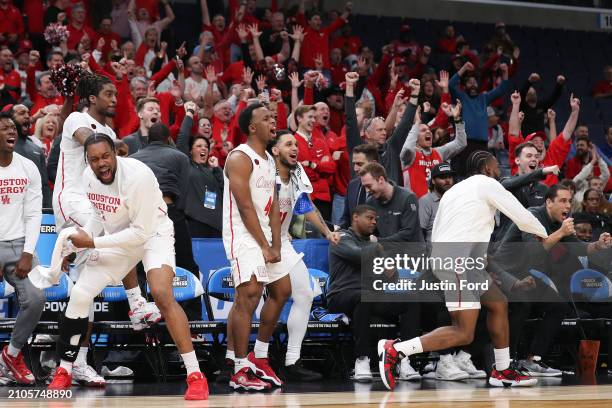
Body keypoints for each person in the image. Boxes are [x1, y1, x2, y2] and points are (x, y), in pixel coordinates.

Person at [46, 134, 208, 400]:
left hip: (153, 234)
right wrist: (75, 245)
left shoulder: (138, 177)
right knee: (80, 294)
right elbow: (98, 217)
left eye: (105, 156)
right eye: (94, 159)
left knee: (161, 292)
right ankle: (64, 370)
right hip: (119, 236)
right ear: (88, 160)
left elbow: (140, 235)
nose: (101, 164)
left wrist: (93, 242)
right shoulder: (88, 177)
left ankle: (195, 375)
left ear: (116, 154)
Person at [378, 150, 550, 390]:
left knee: (498, 303)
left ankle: (502, 371)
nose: (499, 171)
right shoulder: (487, 183)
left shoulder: (455, 191)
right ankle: (397, 350)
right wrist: (545, 233)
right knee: (464, 332)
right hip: (458, 260)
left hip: (459, 259)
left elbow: (441, 229)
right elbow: (521, 215)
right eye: (496, 167)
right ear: (487, 168)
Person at [51, 73, 158, 385]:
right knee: (118, 230)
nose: (114, 99)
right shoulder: (75, 118)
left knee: (85, 292)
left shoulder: (110, 131)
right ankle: (136, 302)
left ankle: (77, 363)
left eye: (116, 93)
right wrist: (114, 147)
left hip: (94, 209)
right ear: (92, 98)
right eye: (109, 94)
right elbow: (90, 140)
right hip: (71, 201)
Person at [495, 185, 612, 376]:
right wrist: (560, 233)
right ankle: (509, 361)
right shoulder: (532, 216)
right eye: (563, 201)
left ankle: (534, 360)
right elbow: (533, 252)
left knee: (559, 306)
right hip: (503, 274)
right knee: (521, 304)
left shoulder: (560, 223)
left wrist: (598, 245)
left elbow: (580, 248)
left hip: (528, 275)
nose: (568, 206)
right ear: (549, 202)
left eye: (570, 201)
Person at [222, 103, 287, 391]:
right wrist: (263, 244)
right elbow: (245, 206)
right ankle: (239, 368)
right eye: (267, 118)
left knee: (282, 289)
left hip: (263, 235)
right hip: (243, 234)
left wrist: (275, 243)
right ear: (251, 127)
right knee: (248, 294)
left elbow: (272, 206)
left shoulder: (270, 160)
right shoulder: (239, 157)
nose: (274, 121)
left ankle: (258, 356)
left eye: (274, 117)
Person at [267, 131, 340, 381]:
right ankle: (241, 360)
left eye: (296, 144)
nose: (295, 148)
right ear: (275, 151)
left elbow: (305, 206)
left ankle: (292, 361)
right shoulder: (266, 174)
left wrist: (327, 232)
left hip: (283, 243)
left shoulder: (297, 173)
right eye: (288, 144)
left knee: (305, 294)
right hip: (259, 242)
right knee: (252, 299)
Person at [327, 204, 421, 382]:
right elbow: (358, 255)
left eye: (375, 219)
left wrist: (389, 269)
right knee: (364, 297)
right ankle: (362, 359)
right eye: (369, 218)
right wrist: (377, 247)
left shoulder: (372, 244)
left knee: (410, 301)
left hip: (369, 295)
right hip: (341, 295)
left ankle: (404, 358)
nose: (374, 222)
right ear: (355, 217)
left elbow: (391, 276)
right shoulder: (341, 237)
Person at [130, 122, 202, 317]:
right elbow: (185, 191)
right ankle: (194, 321)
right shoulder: (179, 156)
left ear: (147, 140)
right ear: (168, 139)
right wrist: (175, 214)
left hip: (139, 215)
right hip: (168, 210)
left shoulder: (132, 159)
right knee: (187, 264)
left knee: (141, 267)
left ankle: (144, 318)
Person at [0, 112, 45, 385]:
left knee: (36, 298)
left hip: (19, 245)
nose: (11, 131)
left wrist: (28, 252)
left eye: (13, 128)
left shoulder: (28, 167)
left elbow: (33, 213)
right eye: (4, 127)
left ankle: (12, 354)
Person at [400, 98, 466, 198]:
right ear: (414, 136)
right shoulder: (410, 155)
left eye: (429, 130)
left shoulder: (438, 152)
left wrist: (457, 119)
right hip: (416, 207)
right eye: (422, 130)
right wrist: (417, 123)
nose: (428, 132)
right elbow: (407, 149)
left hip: (438, 206)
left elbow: (461, 143)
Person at [175, 101, 223, 238]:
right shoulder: (186, 165)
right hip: (194, 222)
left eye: (206, 147)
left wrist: (217, 169)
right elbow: (182, 138)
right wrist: (189, 113)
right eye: (199, 146)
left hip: (216, 225)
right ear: (190, 151)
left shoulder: (212, 170)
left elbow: (225, 189)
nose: (203, 148)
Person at [359, 162, 423, 243]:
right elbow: (370, 231)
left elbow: (407, 233)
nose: (367, 191)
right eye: (364, 187)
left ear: (381, 180)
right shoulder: (370, 202)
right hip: (387, 253)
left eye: (369, 186)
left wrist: (379, 241)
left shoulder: (407, 198)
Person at [9, 104, 51, 207]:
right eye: (22, 113)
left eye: (28, 113)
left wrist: (48, 209)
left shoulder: (36, 149)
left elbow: (44, 185)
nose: (27, 116)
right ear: (10, 119)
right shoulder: (4, 147)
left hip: (34, 208)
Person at [338, 143, 379, 229]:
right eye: (354, 164)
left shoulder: (385, 188)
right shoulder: (352, 185)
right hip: (354, 239)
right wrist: (338, 230)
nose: (355, 168)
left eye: (360, 164)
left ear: (374, 164)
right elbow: (346, 217)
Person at [419, 162, 455, 246]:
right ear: (433, 181)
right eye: (442, 177)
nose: (447, 180)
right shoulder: (426, 201)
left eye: (450, 177)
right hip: (434, 253)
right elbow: (420, 232)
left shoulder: (455, 199)